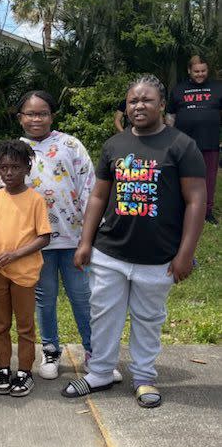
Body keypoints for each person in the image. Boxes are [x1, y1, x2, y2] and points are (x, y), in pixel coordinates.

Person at [67, 75, 206, 408]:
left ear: (160, 105)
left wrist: (185, 254)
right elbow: (99, 196)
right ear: (126, 107)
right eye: (132, 101)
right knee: (104, 314)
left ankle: (144, 376)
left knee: (148, 318)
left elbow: (196, 201)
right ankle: (99, 372)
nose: (139, 106)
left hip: (158, 256)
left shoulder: (181, 145)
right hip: (111, 251)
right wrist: (85, 241)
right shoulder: (115, 145)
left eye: (146, 100)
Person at [16, 91, 121, 383]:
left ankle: (95, 354)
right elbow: (6, 195)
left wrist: (90, 236)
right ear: (20, 117)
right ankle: (50, 350)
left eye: (43, 113)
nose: (36, 119)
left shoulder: (70, 145)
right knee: (44, 298)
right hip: (36, 242)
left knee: (82, 297)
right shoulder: (16, 150)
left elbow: (91, 190)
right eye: (30, 113)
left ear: (52, 115)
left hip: (74, 240)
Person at [0, 140, 51, 398]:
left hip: (24, 274)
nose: (9, 173)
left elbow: (44, 237)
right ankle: (2, 368)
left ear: (27, 168)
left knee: (24, 326)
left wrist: (15, 255)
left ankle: (24, 372)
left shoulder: (35, 200)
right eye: (3, 167)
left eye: (15, 167)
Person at [167, 55, 221, 224]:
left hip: (210, 141)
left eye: (203, 71)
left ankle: (207, 211)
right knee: (182, 176)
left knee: (209, 178)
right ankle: (182, 207)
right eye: (196, 71)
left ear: (207, 70)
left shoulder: (218, 87)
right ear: (189, 71)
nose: (200, 74)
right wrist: (168, 137)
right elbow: (170, 115)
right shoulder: (178, 89)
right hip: (183, 144)